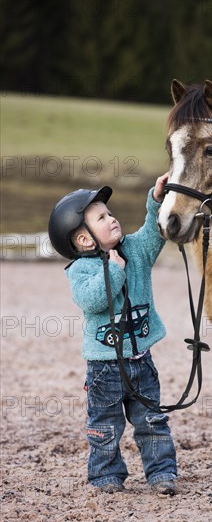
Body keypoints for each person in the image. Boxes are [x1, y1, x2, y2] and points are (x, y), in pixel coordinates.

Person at [48, 173, 178, 496]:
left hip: (141, 361)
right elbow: (93, 300)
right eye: (102, 218)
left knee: (152, 421)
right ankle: (106, 476)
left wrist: (157, 199)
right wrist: (115, 269)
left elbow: (153, 233)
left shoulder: (135, 250)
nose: (112, 218)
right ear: (85, 241)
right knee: (105, 426)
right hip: (104, 368)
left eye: (109, 212)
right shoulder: (80, 270)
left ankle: (161, 473)